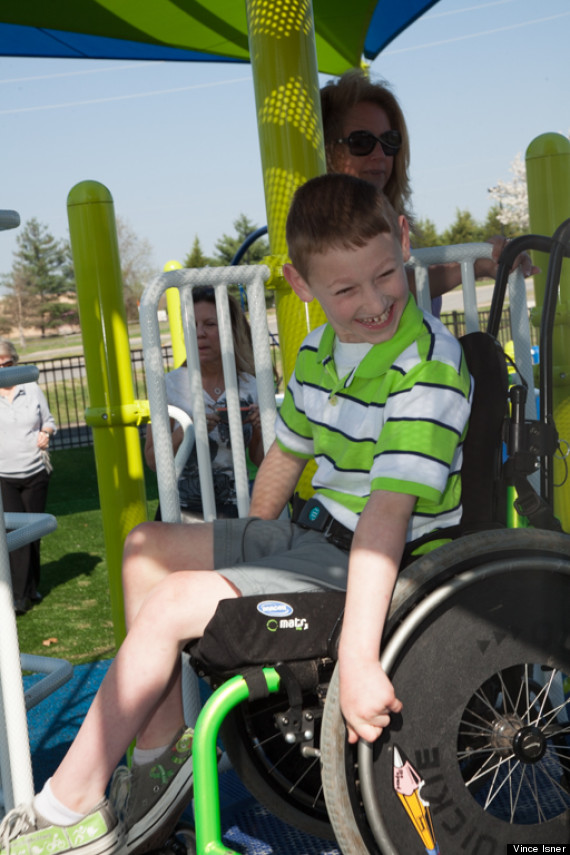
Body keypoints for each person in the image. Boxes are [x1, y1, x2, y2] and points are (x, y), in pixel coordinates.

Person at [0, 174, 472, 855]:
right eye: (346, 290)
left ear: (403, 241)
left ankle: (68, 810)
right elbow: (283, 459)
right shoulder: (319, 354)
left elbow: (385, 521)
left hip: (372, 570)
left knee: (170, 603)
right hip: (316, 536)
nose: (374, 302)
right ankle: (160, 761)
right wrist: (253, 551)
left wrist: (361, 658)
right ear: (300, 284)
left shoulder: (426, 367)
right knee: (144, 547)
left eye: (385, 275)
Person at [320, 68, 538, 315]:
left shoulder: (389, 222)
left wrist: (485, 258)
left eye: (389, 140)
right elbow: (387, 287)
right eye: (361, 142)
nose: (379, 155)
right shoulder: (321, 226)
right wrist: (472, 263)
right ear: (327, 151)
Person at [144, 287, 264, 521]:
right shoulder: (168, 385)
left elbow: (259, 459)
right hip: (181, 512)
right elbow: (153, 461)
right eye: (192, 325)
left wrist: (262, 427)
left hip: (235, 510)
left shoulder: (251, 385)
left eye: (210, 324)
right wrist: (189, 430)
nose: (199, 333)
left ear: (230, 329)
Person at [0, 339, 56, 615]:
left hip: (35, 471)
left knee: (33, 535)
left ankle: (32, 587)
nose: (3, 370)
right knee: (14, 535)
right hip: (4, 476)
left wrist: (46, 432)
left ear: (15, 362)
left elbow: (49, 419)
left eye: (7, 364)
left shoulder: (31, 388)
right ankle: (18, 597)